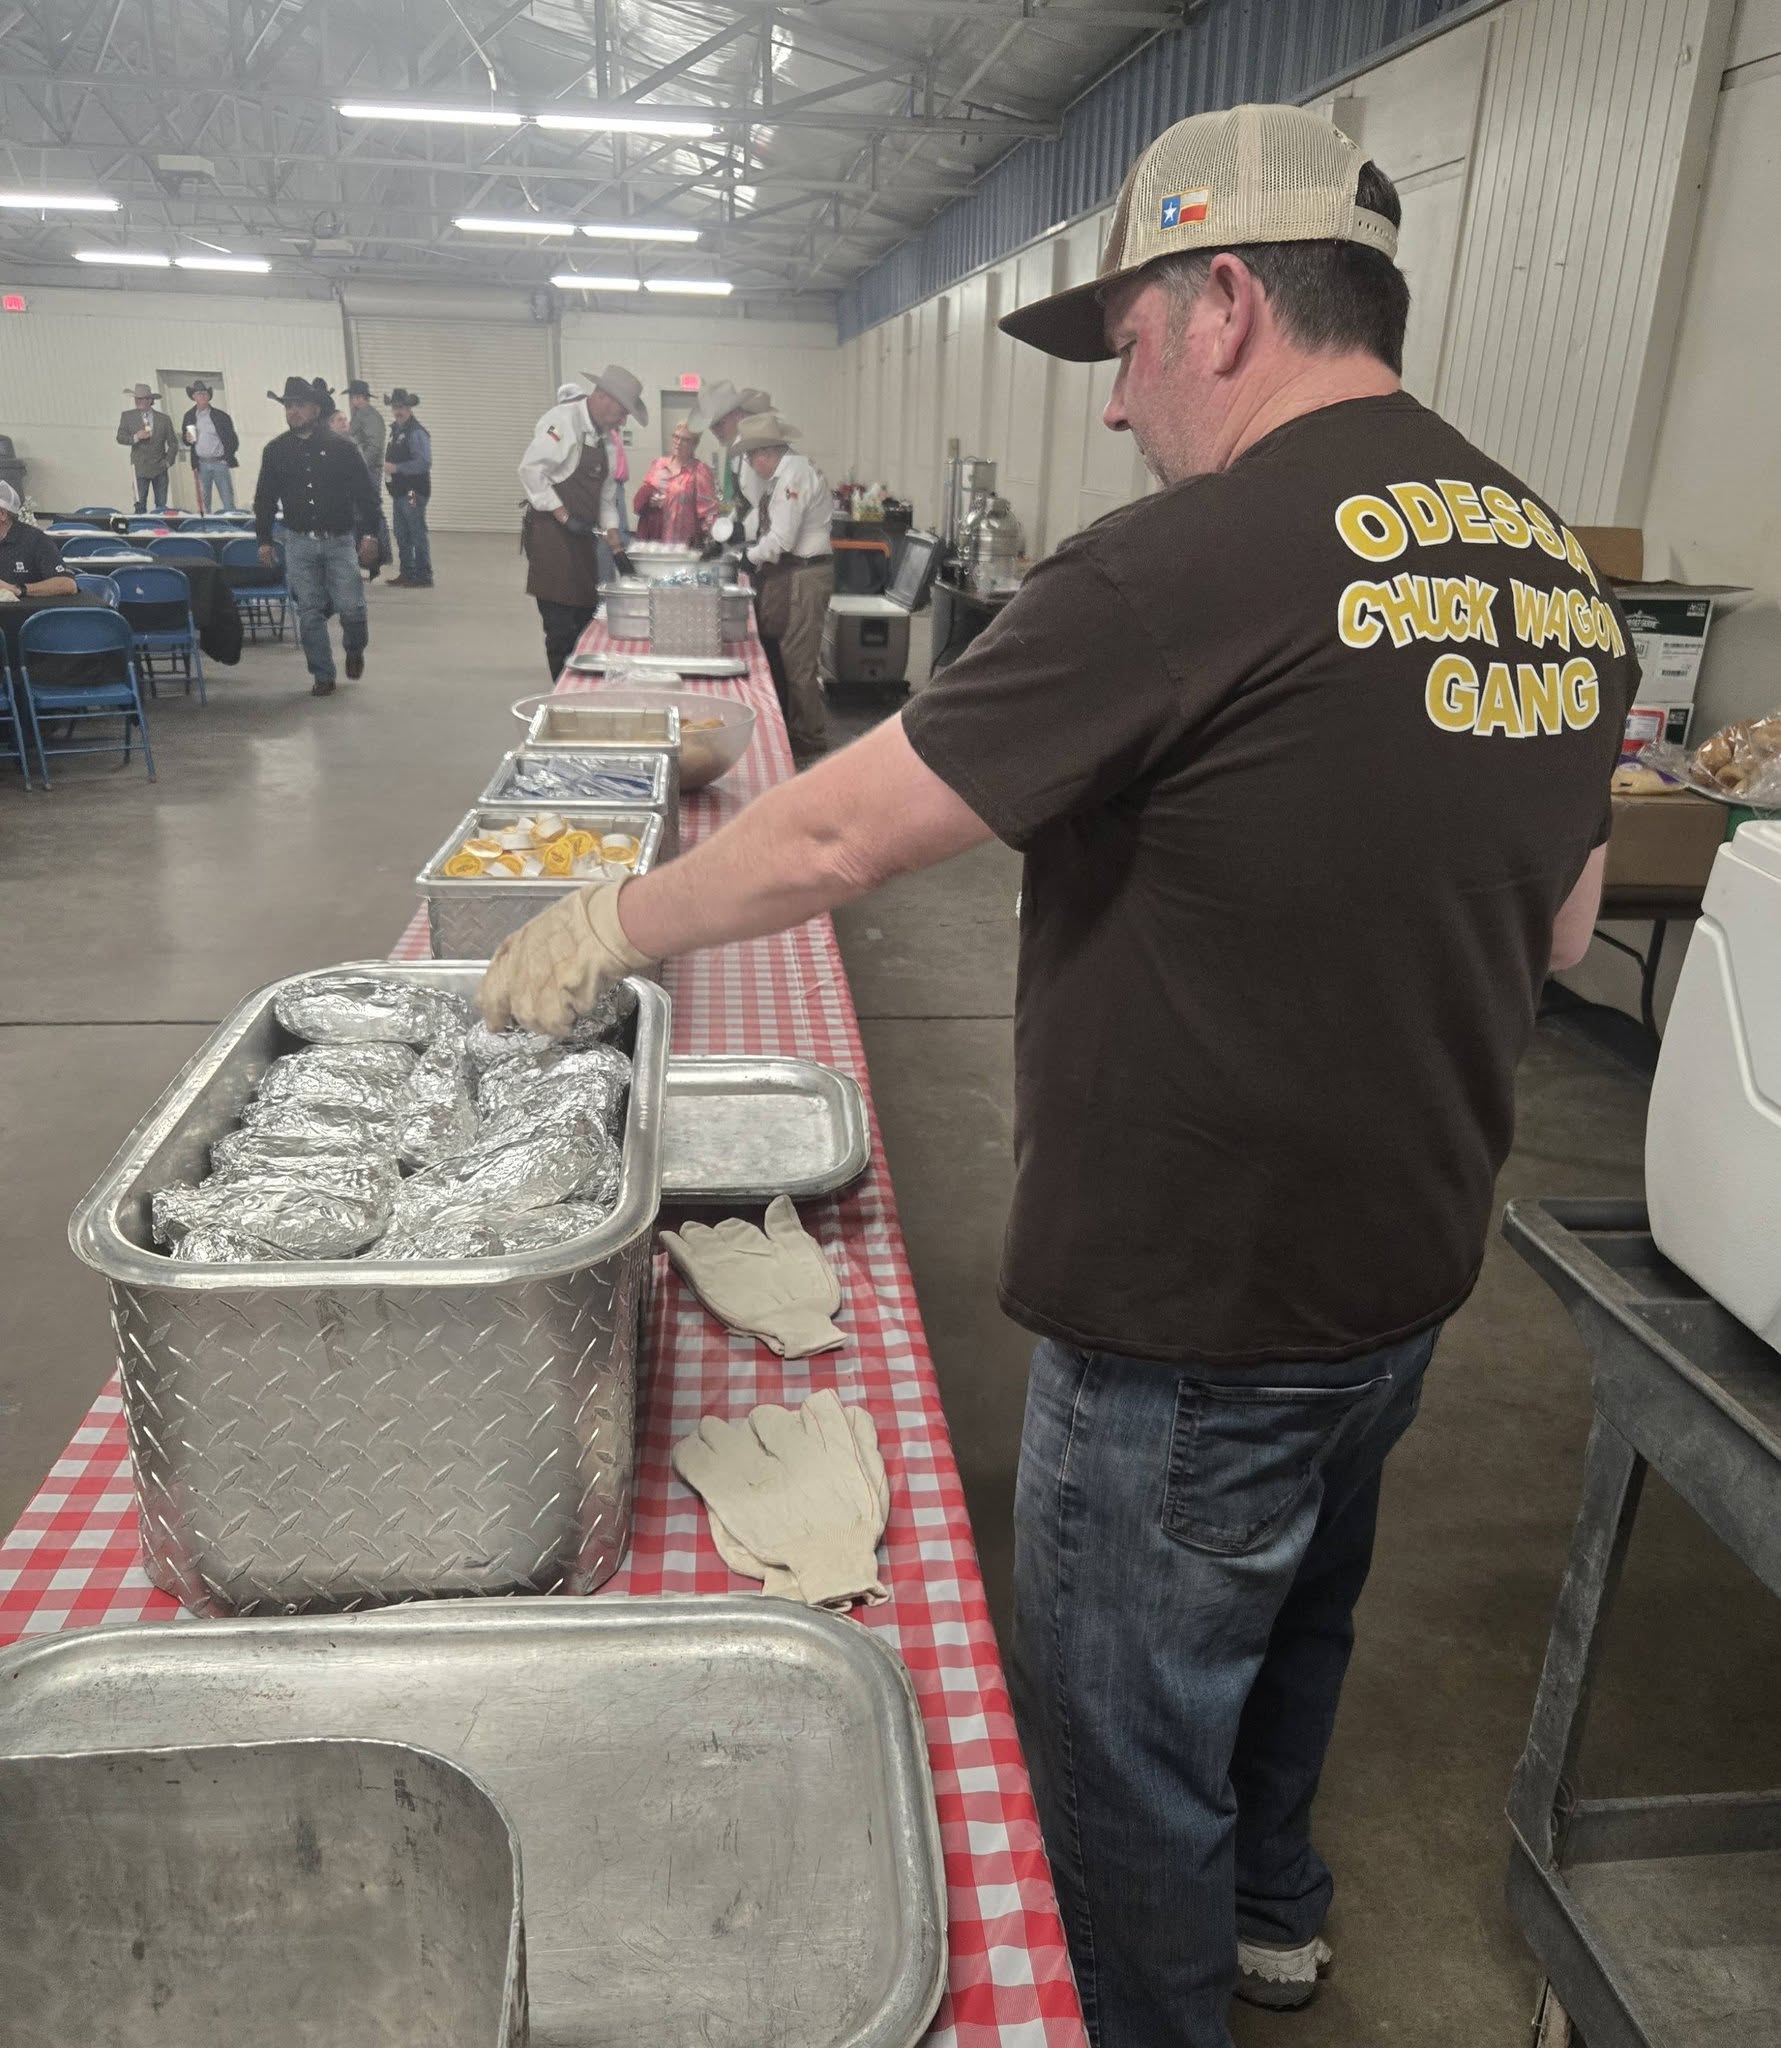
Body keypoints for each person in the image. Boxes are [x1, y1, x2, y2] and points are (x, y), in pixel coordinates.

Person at [475, 104, 1634, 2048]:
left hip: (1192, 1301)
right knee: (1294, 1627)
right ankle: (1277, 1909)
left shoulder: (1185, 561)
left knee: (1121, 1749)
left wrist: (610, 925)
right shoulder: (1531, 560)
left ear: (1224, 300)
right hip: (1407, 1257)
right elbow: (1561, 933)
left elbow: (844, 832)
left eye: (1121, 346)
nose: (1109, 408)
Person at [253, 374, 380, 697]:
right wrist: (264, 539)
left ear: (314, 408)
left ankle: (354, 649)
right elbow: (264, 498)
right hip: (298, 542)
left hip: (339, 540)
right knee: (309, 612)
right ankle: (322, 674)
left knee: (352, 608)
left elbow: (366, 495)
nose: (292, 411)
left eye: (299, 405)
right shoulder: (276, 451)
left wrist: (369, 535)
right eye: (288, 406)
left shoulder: (342, 449)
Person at [518, 363, 648, 680]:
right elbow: (530, 472)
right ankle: (563, 696)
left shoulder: (607, 439)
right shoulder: (562, 422)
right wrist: (563, 515)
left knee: (584, 619)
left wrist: (615, 541)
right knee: (561, 626)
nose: (623, 419)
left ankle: (579, 688)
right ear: (602, 396)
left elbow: (606, 498)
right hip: (552, 537)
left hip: (582, 540)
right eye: (622, 410)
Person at [733, 410, 833, 762]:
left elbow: (782, 538)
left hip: (804, 575)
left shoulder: (794, 474)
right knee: (790, 655)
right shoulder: (786, 474)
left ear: (765, 453)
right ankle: (797, 727)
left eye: (750, 456)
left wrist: (750, 557)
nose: (751, 464)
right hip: (795, 573)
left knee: (799, 661)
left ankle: (809, 737)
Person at [634, 420, 718, 546]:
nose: (678, 443)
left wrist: (713, 538)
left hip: (683, 544)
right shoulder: (659, 464)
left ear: (694, 444)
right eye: (676, 437)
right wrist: (650, 499)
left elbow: (708, 512)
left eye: (685, 440)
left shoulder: (699, 471)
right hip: (655, 541)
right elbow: (644, 495)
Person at [382, 389, 433, 588]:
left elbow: (423, 463)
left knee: (415, 531)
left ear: (409, 408)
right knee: (402, 532)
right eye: (395, 407)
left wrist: (396, 468)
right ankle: (408, 572)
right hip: (400, 492)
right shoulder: (396, 430)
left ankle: (423, 575)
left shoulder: (417, 432)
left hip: (412, 492)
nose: (398, 411)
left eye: (401, 407)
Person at [345, 380, 392, 579]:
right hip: (367, 470)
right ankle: (369, 559)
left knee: (370, 513)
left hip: (368, 471)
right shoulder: (364, 415)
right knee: (365, 514)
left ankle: (375, 558)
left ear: (358, 397)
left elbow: (374, 447)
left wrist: (359, 467)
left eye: (353, 397)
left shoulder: (369, 416)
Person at [0, 479, 75, 597]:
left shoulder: (35, 540)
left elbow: (67, 584)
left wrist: (18, 589)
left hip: (23, 613)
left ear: (2, 514)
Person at [116, 384, 180, 514]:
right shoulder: (127, 417)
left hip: (160, 467)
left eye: (142, 399)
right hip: (139, 468)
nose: (138, 402)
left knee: (161, 506)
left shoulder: (163, 419)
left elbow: (173, 442)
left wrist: (168, 461)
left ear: (150, 400)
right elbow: (120, 437)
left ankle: (161, 531)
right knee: (140, 505)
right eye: (136, 399)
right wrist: (135, 437)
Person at [180, 381, 239, 512]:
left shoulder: (221, 416)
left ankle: (231, 526)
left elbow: (233, 440)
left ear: (209, 396)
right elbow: (185, 440)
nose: (201, 396)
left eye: (204, 393)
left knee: (228, 500)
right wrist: (186, 439)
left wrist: (226, 456)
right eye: (198, 393)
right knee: (203, 503)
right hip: (201, 465)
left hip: (220, 463)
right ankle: (205, 529)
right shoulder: (189, 416)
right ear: (193, 397)